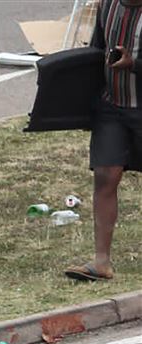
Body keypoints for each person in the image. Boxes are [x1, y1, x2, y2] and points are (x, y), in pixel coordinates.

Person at [65, 0, 141, 282]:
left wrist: (134, 64)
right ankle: (101, 262)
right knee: (105, 176)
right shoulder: (107, 4)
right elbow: (96, 51)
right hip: (112, 107)